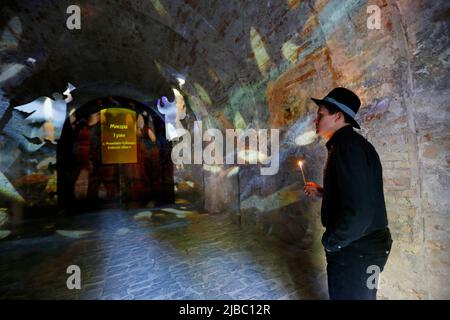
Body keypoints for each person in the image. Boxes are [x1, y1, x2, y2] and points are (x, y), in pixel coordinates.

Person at [303, 87, 392, 300]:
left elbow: (359, 212)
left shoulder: (347, 148)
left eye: (321, 114)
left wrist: (333, 242)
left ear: (338, 116)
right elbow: (357, 195)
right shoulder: (351, 145)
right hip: (365, 246)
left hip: (357, 249)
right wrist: (323, 192)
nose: (316, 120)